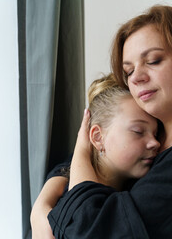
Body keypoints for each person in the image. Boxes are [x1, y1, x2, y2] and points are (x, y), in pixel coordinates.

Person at [33, 5, 172, 239]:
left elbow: (95, 232)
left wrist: (81, 149)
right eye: (128, 71)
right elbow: (98, 159)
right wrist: (45, 199)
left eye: (153, 60)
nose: (137, 78)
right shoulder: (158, 135)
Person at [31, 74, 160, 239]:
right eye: (138, 131)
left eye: (156, 134)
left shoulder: (140, 187)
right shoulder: (65, 213)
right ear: (98, 137)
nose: (154, 143)